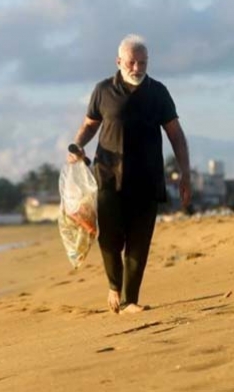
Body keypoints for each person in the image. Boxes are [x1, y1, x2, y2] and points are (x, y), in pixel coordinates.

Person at [68, 34, 191, 315]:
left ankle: (129, 301)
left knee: (139, 242)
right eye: (132, 62)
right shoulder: (103, 90)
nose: (137, 68)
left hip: (147, 179)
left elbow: (176, 135)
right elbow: (90, 125)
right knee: (109, 239)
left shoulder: (158, 92)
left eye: (143, 62)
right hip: (108, 178)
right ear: (119, 61)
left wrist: (185, 173)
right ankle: (114, 285)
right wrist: (77, 146)